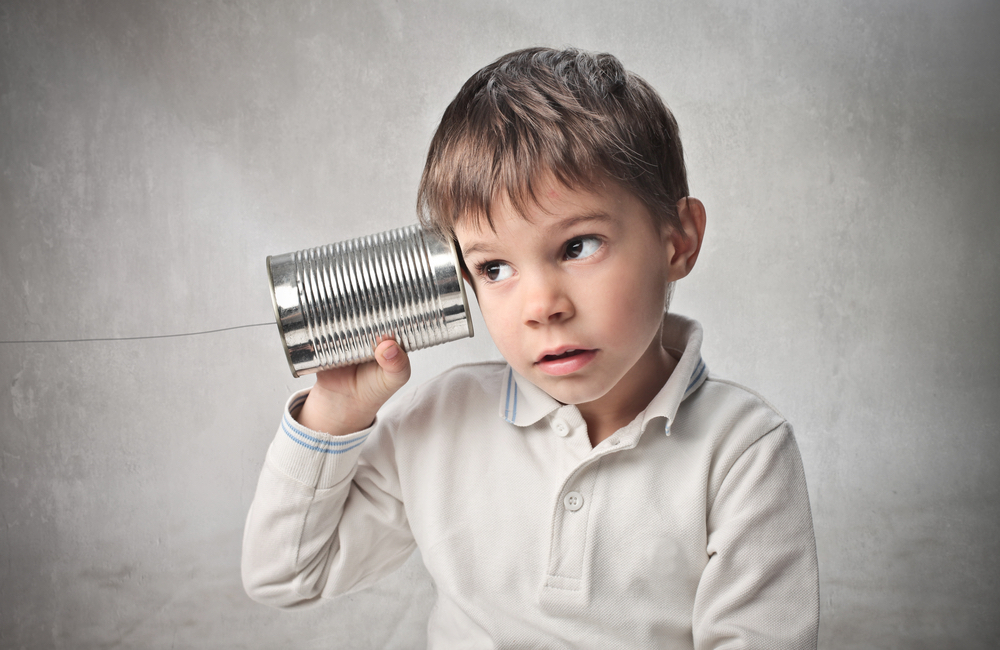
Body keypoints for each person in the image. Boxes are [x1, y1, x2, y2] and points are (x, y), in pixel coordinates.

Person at [242, 47, 819, 648]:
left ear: (677, 241)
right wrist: (334, 416)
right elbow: (286, 576)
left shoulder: (743, 451)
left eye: (578, 246)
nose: (542, 305)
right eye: (494, 268)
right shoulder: (441, 419)